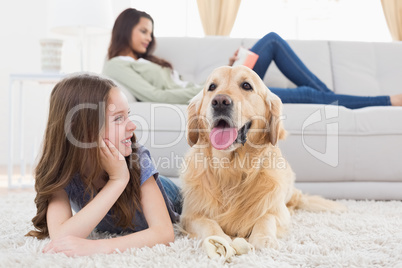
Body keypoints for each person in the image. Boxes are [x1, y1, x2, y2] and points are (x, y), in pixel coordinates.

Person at [103, 8, 402, 109]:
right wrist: (207, 90)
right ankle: (385, 100)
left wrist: (231, 66)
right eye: (143, 30)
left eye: (149, 32)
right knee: (308, 95)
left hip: (219, 86)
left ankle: (331, 98)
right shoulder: (116, 66)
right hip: (211, 94)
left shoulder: (149, 61)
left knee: (271, 42)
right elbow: (156, 95)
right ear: (125, 28)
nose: (147, 37)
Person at [26, 74, 182, 256]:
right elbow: (61, 236)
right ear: (81, 131)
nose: (132, 126)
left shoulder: (137, 157)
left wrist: (96, 247)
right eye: (118, 119)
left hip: (179, 198)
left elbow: (164, 233)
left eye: (128, 116)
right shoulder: (61, 171)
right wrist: (117, 182)